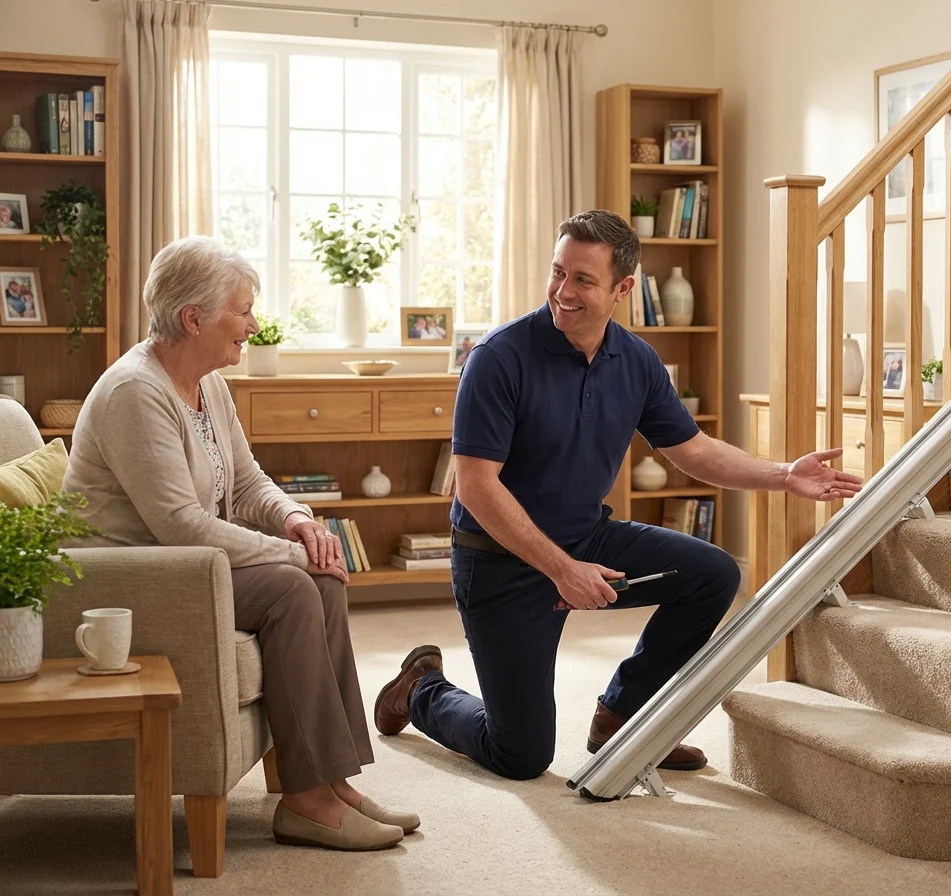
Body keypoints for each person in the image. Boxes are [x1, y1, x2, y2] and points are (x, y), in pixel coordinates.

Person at [373, 210, 863, 781]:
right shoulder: (498, 358)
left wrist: (783, 474)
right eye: (558, 272)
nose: (563, 291)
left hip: (587, 540)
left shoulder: (636, 361)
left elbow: (693, 450)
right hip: (499, 560)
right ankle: (421, 689)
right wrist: (562, 570)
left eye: (583, 279)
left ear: (623, 289)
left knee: (711, 575)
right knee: (520, 755)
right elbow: (478, 488)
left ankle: (622, 716)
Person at [63, 235, 418, 852]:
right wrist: (293, 554)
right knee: (291, 587)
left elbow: (249, 482)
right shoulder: (135, 392)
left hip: (184, 567)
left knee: (321, 579)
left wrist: (298, 520)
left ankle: (330, 782)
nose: (254, 325)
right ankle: (306, 803)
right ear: (192, 319)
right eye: (244, 311)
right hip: (128, 578)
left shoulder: (209, 385)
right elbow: (181, 524)